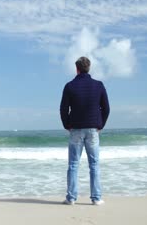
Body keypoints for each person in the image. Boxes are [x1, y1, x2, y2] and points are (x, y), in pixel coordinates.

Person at [60, 56, 110, 206]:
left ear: (77, 69)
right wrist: (100, 125)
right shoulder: (98, 85)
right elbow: (106, 108)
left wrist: (66, 125)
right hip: (93, 129)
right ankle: (96, 198)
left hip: (75, 129)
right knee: (94, 164)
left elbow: (63, 109)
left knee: (73, 164)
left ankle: (71, 198)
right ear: (89, 68)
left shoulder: (70, 86)